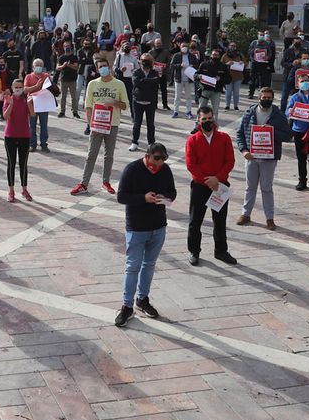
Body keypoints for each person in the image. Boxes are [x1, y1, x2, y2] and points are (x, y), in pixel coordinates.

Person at [114, 143, 175, 327]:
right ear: (147, 156)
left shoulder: (165, 170)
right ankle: (126, 306)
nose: (160, 163)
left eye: (163, 159)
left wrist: (163, 198)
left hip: (158, 226)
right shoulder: (132, 169)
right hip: (137, 227)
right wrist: (143, 198)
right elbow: (121, 196)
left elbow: (172, 192)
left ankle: (142, 299)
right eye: (157, 158)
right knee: (133, 266)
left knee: (149, 264)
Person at [184, 106, 237, 267]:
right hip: (200, 186)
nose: (207, 121)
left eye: (209, 118)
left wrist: (217, 178)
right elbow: (191, 164)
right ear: (199, 121)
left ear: (213, 118)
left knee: (220, 221)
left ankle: (221, 251)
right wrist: (207, 180)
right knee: (195, 221)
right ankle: (194, 251)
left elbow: (230, 161)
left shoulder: (224, 138)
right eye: (204, 119)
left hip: (220, 186)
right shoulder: (192, 140)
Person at [75, 58, 130, 196]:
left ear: (110, 66)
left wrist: (114, 102)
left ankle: (106, 182)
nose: (103, 69)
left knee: (109, 155)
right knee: (91, 155)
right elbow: (88, 106)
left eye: (105, 66)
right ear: (97, 69)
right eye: (100, 67)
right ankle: (84, 183)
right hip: (97, 125)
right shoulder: (92, 84)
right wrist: (90, 124)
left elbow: (125, 105)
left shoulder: (119, 84)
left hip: (112, 124)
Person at [234, 87, 283, 230]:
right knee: (250, 187)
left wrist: (271, 131)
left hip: (269, 157)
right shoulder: (249, 112)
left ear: (272, 99)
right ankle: (245, 214)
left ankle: (269, 218)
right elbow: (240, 133)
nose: (266, 100)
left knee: (267, 188)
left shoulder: (278, 115)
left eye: (269, 98)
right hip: (252, 156)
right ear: (258, 98)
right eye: (264, 97)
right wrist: (244, 150)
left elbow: (287, 134)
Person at [1, 77, 34, 202]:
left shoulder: (26, 99)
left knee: (23, 164)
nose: (18, 89)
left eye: (20, 87)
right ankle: (11, 190)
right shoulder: (8, 99)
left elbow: (32, 114)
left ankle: (24, 189)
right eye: (16, 87)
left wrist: (30, 104)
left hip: (24, 135)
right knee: (11, 163)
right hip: (10, 136)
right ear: (12, 88)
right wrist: (10, 104)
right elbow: (5, 116)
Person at [130, 60, 160, 152]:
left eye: (147, 66)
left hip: (150, 101)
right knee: (137, 123)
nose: (145, 68)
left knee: (150, 124)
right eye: (144, 66)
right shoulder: (136, 72)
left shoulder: (154, 72)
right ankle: (134, 142)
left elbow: (156, 82)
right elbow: (136, 83)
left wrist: (143, 82)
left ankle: (151, 143)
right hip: (138, 101)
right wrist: (149, 82)